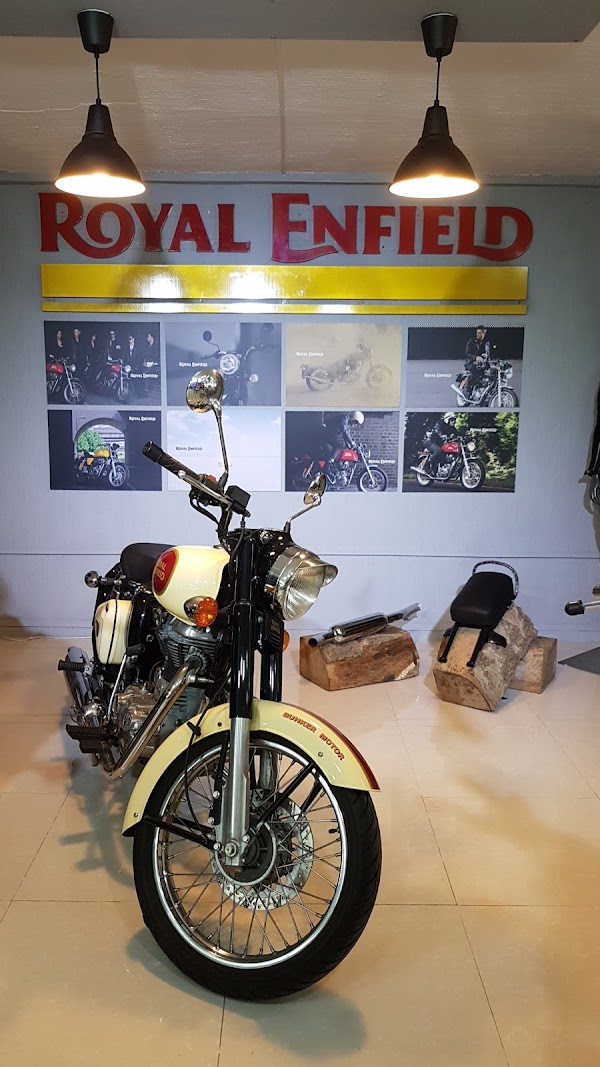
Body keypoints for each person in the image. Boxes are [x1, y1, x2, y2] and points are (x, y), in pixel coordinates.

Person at [455, 325, 490, 401]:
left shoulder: (487, 343)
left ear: (484, 333)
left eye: (480, 333)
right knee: (475, 372)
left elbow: (489, 354)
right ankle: (467, 391)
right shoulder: (471, 341)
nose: (478, 334)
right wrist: (476, 357)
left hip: (483, 364)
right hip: (471, 363)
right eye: (477, 333)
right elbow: (467, 353)